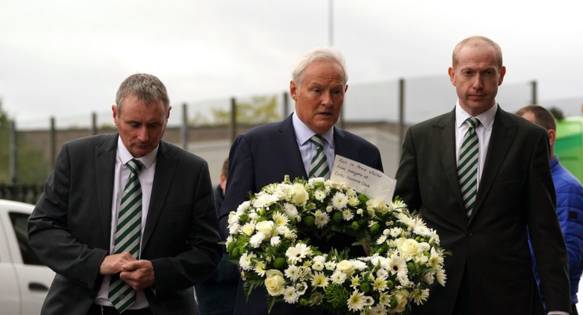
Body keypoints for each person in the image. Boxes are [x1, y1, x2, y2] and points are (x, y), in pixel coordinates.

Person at [394, 36, 571, 315]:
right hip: (435, 297)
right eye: (468, 73)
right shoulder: (421, 137)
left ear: (501, 75)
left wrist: (559, 306)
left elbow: (545, 228)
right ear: (453, 75)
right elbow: (403, 216)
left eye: (487, 73)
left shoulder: (528, 139)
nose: (478, 83)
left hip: (506, 297)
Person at [28, 73, 222, 315]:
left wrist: (159, 272)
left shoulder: (191, 171)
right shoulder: (77, 158)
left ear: (168, 115)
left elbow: (208, 250)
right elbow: (42, 227)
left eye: (154, 125)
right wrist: (98, 262)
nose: (144, 136)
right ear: (115, 115)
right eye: (134, 124)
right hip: (78, 307)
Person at [219, 48, 383, 315]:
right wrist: (259, 250)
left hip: (341, 304)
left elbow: (377, 226)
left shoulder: (364, 154)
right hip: (271, 303)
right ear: (294, 90)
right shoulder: (254, 145)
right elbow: (229, 218)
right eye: (317, 90)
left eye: (336, 91)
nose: (328, 101)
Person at [517, 105, 583, 315]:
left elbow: (565, 259)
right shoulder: (528, 184)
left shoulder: (567, 190)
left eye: (527, 136)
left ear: (549, 137)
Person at [196, 158, 239, 315]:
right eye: (236, 184)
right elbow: (200, 263)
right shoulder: (203, 210)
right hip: (217, 305)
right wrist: (243, 265)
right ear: (222, 180)